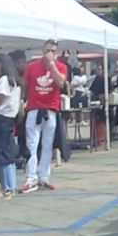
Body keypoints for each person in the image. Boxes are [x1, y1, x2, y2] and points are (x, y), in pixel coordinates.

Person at [21, 40, 69, 192]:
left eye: (53, 51)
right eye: (48, 50)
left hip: (51, 109)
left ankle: (44, 176)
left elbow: (60, 83)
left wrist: (52, 65)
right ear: (43, 50)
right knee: (32, 143)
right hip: (34, 108)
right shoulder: (32, 66)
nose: (50, 53)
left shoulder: (61, 66)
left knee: (48, 144)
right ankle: (31, 177)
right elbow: (25, 85)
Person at [0, 51, 24, 197]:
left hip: (1, 118)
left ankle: (6, 187)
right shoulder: (14, 80)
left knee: (1, 153)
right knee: (7, 153)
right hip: (9, 118)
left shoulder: (4, 80)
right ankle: (10, 186)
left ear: (0, 65)